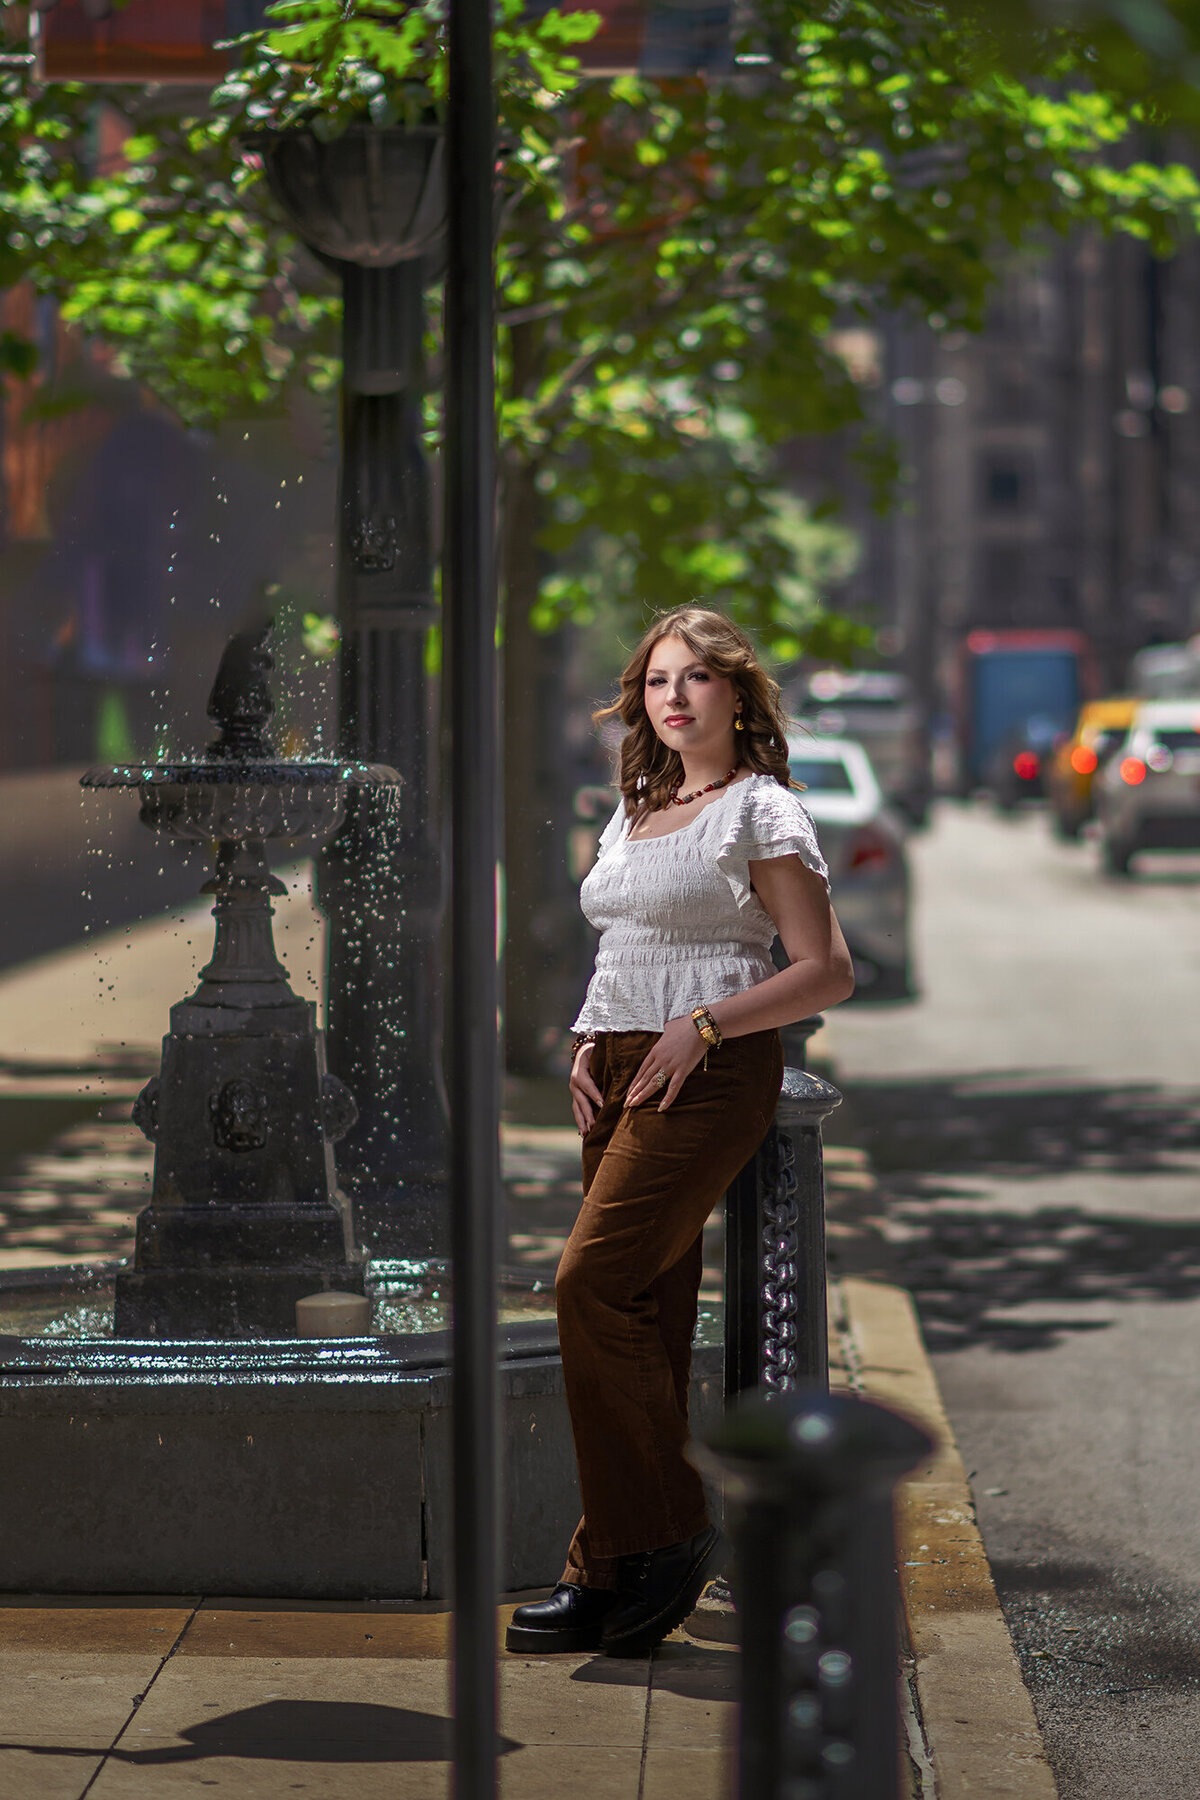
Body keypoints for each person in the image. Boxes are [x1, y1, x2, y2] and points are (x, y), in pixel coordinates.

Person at [505, 606, 855, 1659]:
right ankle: (607, 1568)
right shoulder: (637, 806)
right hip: (615, 1068)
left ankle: (664, 1538)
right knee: (642, 1318)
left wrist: (701, 1025)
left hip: (705, 1072)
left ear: (738, 697)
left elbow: (825, 970)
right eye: (659, 678)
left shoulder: (762, 812)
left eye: (699, 677)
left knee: (588, 1286)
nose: (675, 695)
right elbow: (630, 941)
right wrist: (588, 1042)